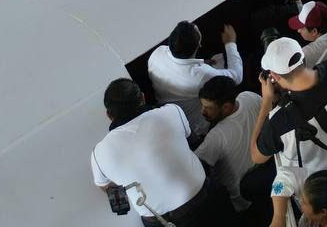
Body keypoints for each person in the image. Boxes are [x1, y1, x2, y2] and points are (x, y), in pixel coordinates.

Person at [91, 78, 229, 226]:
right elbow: (191, 140)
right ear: (142, 98)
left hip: (159, 220)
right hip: (200, 198)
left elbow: (105, 186)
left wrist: (123, 199)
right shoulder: (171, 111)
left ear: (108, 115)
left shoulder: (98, 153)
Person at [250, 38, 327, 210]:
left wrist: (267, 102)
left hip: (316, 182)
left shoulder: (278, 121)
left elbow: (256, 156)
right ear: (303, 58)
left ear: (274, 76)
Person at [146, 20, 242, 136]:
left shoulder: (157, 53)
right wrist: (230, 43)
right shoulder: (201, 76)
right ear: (199, 45)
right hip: (195, 127)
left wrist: (201, 64)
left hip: (170, 112)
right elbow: (236, 77)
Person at [194, 76, 262, 216]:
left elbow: (194, 168)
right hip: (261, 175)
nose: (202, 112)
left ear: (226, 107)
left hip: (239, 200)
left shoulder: (216, 137)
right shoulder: (250, 96)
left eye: (208, 108)